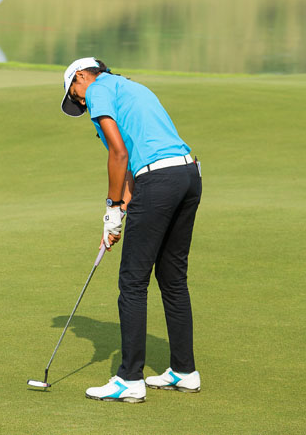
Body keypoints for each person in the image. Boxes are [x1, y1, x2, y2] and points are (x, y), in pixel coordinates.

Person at [59, 57, 202, 403]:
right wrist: (121, 211)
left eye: (76, 95)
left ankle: (129, 379)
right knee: (172, 278)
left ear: (81, 77)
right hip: (187, 176)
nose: (81, 102)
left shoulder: (99, 90)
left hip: (159, 181)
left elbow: (120, 155)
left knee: (133, 281)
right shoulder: (132, 88)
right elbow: (140, 161)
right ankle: (185, 371)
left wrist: (109, 209)